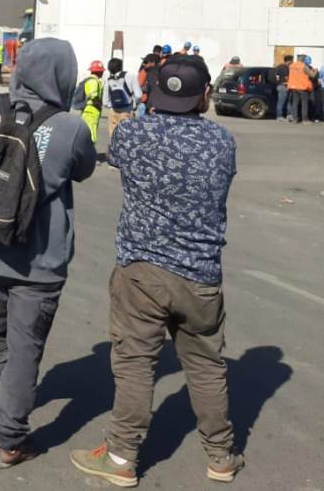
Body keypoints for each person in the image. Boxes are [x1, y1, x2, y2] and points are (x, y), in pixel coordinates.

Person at [70, 55, 245, 486]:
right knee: (206, 365)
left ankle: (121, 457)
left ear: (155, 94)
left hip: (142, 271)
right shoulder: (222, 142)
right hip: (201, 274)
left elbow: (119, 163)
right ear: (205, 94)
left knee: (135, 364)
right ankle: (221, 456)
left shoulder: (131, 133)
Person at [0, 37, 96, 468]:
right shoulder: (71, 126)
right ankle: (9, 438)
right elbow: (83, 169)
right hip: (37, 260)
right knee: (25, 347)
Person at [104, 58, 141, 143]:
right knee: (126, 139)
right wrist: (134, 105)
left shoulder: (108, 80)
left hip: (112, 111)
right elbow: (138, 95)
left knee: (113, 138)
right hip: (127, 111)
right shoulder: (130, 76)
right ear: (121, 66)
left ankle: (113, 155)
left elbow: (105, 102)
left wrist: (112, 105)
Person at [71, 60, 105, 143]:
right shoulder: (93, 81)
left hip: (89, 110)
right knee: (91, 135)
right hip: (91, 111)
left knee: (88, 133)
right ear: (99, 72)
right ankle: (88, 154)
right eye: (102, 71)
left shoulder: (93, 80)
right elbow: (93, 96)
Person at [286, 55, 316, 123]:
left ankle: (295, 119)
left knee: (295, 104)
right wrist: (315, 71)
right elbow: (313, 75)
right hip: (302, 87)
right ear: (302, 57)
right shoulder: (304, 66)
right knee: (304, 104)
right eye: (304, 57)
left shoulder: (291, 65)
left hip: (294, 87)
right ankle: (304, 120)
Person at [274, 54, 291, 121]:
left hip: (279, 85)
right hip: (284, 86)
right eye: (291, 61)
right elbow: (287, 78)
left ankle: (286, 115)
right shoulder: (285, 67)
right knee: (284, 102)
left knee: (282, 101)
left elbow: (276, 76)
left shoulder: (278, 66)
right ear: (289, 61)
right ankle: (280, 116)